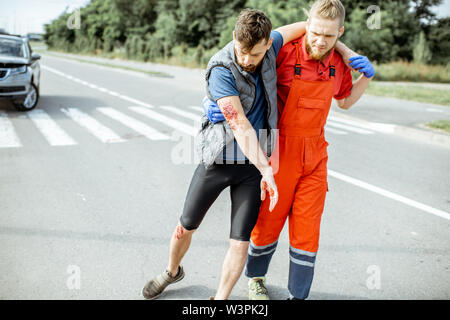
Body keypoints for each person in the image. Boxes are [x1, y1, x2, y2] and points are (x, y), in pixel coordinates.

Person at [204, 0, 375, 300]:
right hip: (279, 152)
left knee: (308, 231)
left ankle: (299, 294)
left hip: (315, 158)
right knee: (268, 223)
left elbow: (345, 101)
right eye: (316, 32)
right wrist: (211, 101)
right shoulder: (283, 51)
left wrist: (366, 77)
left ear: (340, 33)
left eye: (330, 36)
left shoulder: (336, 62)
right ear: (307, 24)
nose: (321, 41)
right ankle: (256, 278)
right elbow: (243, 64)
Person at [142, 9, 310, 300]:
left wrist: (343, 49)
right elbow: (239, 123)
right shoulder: (220, 68)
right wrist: (268, 169)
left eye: (255, 54)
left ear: (268, 44)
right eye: (243, 51)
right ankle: (171, 271)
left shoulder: (271, 46)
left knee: (240, 242)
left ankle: (220, 300)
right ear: (234, 37)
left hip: (251, 169)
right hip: (219, 159)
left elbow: (310, 26)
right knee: (186, 225)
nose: (247, 60)